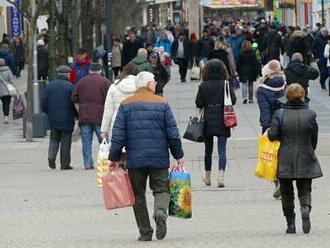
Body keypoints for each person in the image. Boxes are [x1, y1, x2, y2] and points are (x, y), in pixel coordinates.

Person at [108, 71, 184, 241]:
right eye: (154, 82)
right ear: (149, 85)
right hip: (159, 158)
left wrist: (114, 158)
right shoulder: (162, 103)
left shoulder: (125, 105)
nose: (156, 84)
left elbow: (118, 135)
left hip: (135, 159)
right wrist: (178, 155)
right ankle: (160, 212)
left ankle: (145, 232)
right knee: (162, 189)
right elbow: (173, 133)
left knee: (138, 195)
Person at [268, 84, 323, 234]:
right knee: (305, 190)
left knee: (286, 193)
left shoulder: (280, 114)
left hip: (285, 157)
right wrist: (310, 150)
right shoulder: (310, 114)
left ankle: (291, 224)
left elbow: (272, 135)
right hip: (306, 156)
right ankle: (305, 208)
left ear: (287, 96)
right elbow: (314, 138)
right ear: (302, 95)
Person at [195, 59, 237, 187]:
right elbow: (233, 100)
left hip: (207, 119)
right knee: (222, 149)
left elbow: (198, 103)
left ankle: (207, 177)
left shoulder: (203, 85)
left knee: (208, 150)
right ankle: (221, 177)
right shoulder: (225, 84)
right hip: (223, 118)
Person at [256, 60, 286, 198]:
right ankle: (285, 183)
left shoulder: (262, 89)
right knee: (283, 154)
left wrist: (267, 127)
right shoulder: (285, 84)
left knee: (271, 156)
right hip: (285, 123)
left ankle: (277, 182)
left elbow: (265, 110)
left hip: (270, 125)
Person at [71, 63, 110, 170]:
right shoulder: (105, 82)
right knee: (104, 142)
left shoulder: (81, 82)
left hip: (85, 116)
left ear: (89, 71)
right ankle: (105, 163)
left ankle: (88, 163)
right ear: (100, 71)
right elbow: (110, 99)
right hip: (100, 116)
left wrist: (79, 111)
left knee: (86, 142)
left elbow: (74, 98)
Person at [42, 66, 77, 170]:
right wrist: (76, 115)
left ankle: (51, 157)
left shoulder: (49, 86)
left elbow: (43, 103)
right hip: (67, 118)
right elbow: (74, 103)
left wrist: (49, 112)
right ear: (68, 74)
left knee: (54, 138)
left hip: (53, 117)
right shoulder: (71, 86)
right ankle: (65, 164)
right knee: (66, 141)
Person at [101, 63, 139, 140]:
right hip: (135, 123)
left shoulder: (114, 86)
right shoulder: (140, 87)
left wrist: (104, 130)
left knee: (116, 149)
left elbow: (108, 110)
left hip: (116, 122)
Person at [0, 58, 15, 124]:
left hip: (0, 89)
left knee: (3, 103)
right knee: (6, 103)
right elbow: (11, 80)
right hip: (7, 89)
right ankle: (6, 117)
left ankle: (5, 116)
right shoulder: (8, 70)